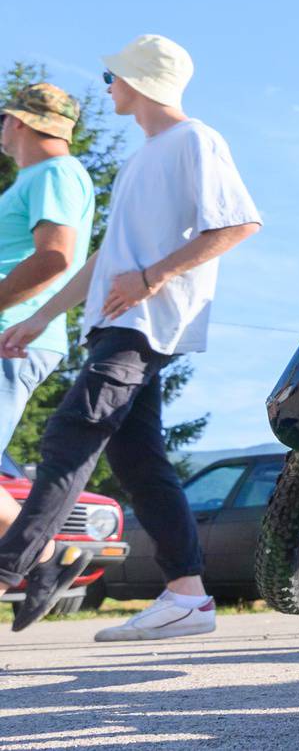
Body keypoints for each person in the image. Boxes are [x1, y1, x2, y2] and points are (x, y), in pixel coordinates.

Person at [0, 36, 260, 638]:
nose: (107, 86)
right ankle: (187, 595)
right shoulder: (141, 157)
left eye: (112, 75)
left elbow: (239, 223)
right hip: (112, 323)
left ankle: (13, 565)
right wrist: (42, 317)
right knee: (138, 460)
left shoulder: (195, 139)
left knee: (73, 432)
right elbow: (103, 260)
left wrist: (152, 277)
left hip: (144, 323)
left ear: (140, 81)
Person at [0, 85, 97, 555]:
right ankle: (38, 551)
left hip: (11, 336)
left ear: (17, 122)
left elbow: (55, 257)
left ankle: (39, 550)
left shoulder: (56, 173)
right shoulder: (38, 177)